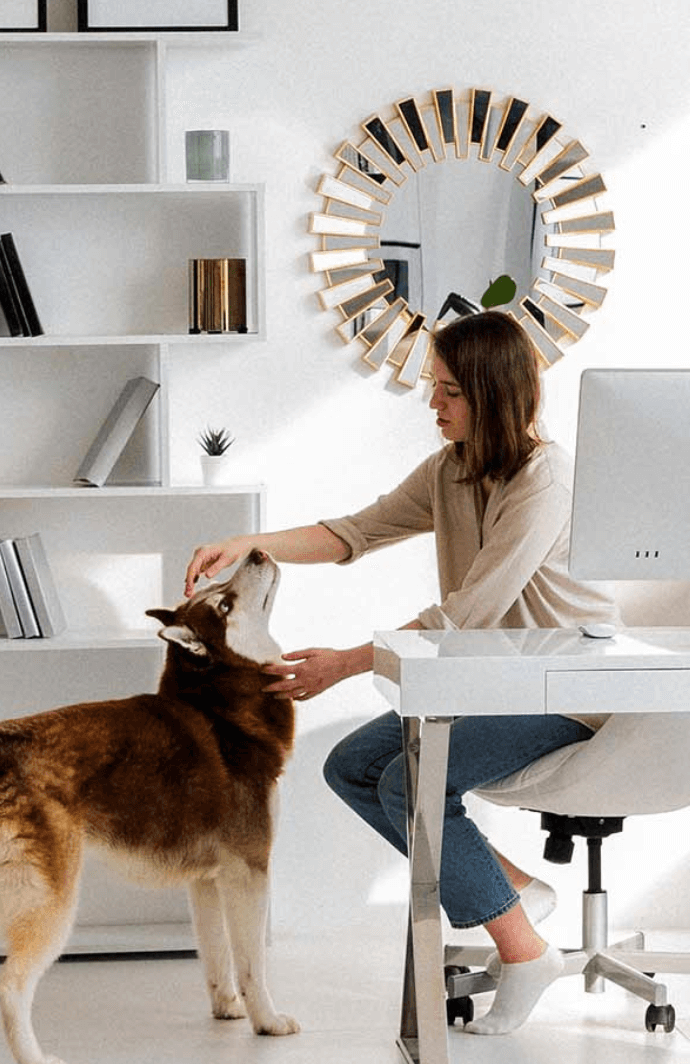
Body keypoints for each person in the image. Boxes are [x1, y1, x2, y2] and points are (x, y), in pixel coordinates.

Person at [182, 310, 619, 1035]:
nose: (433, 404)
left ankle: (523, 949)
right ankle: (509, 889)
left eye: (448, 391)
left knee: (409, 778)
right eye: (433, 387)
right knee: (353, 766)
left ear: (490, 395)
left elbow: (470, 611)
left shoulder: (546, 480)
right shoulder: (453, 468)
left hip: (564, 689)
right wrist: (248, 544)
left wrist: (348, 664)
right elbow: (354, 532)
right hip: (489, 682)